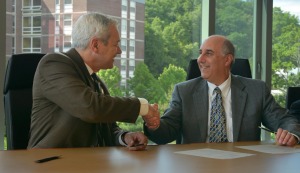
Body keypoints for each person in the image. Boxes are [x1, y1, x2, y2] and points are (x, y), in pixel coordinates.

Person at [27, 12, 158, 150]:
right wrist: (142, 106)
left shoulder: (95, 80)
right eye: (116, 44)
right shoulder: (53, 64)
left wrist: (124, 137)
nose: (119, 51)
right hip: (50, 165)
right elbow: (90, 108)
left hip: (88, 165)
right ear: (95, 45)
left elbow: (103, 127)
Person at [143, 35, 300, 147]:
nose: (200, 59)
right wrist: (154, 125)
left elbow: (285, 120)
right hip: (196, 167)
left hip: (244, 166)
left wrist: (290, 134)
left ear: (227, 60)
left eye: (208, 53)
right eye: (200, 53)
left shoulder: (256, 90)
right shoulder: (184, 91)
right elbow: (165, 134)